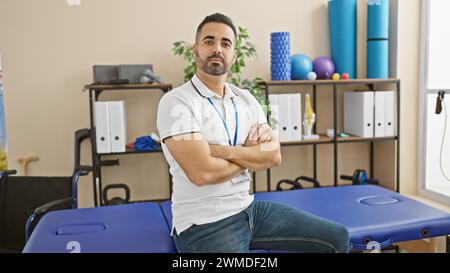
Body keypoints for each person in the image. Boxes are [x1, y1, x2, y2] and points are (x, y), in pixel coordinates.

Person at [157, 13, 349, 253]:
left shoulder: (246, 99)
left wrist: (224, 151)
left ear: (234, 56)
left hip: (249, 210)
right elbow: (202, 174)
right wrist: (249, 154)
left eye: (225, 43)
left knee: (337, 238)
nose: (217, 48)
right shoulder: (176, 102)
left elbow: (273, 156)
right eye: (209, 41)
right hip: (203, 224)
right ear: (195, 50)